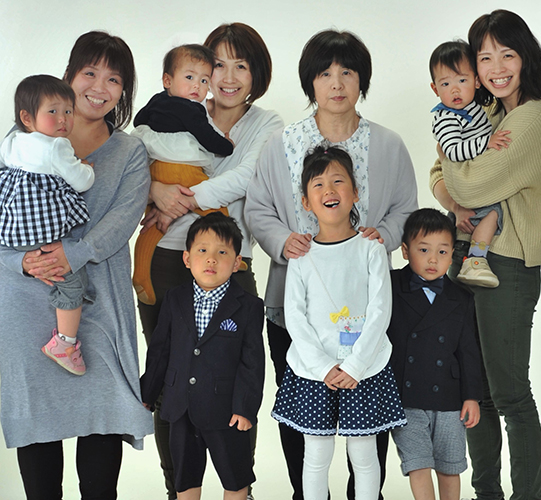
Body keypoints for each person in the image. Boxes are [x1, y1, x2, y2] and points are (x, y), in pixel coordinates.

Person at [245, 29, 418, 500]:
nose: (336, 83)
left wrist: (385, 235)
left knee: (367, 421)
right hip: (295, 304)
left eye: (347, 72)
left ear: (362, 80)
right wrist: (284, 242)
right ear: (310, 82)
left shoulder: (388, 144)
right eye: (324, 73)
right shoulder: (281, 143)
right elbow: (258, 209)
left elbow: (405, 207)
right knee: (304, 419)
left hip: (365, 307)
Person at [0, 31, 153, 499]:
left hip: (99, 305)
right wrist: (21, 262)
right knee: (38, 428)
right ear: (69, 76)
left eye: (114, 79)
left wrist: (70, 254)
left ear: (123, 91)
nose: (100, 87)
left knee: (102, 426)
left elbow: (123, 221)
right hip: (25, 304)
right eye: (90, 73)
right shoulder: (22, 140)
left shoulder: (129, 152)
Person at [137, 23, 283, 500]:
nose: (228, 77)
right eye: (218, 64)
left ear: (257, 74)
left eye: (242, 66)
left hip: (231, 262)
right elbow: (136, 159)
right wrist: (154, 189)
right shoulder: (173, 108)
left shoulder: (267, 124)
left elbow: (246, 177)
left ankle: (238, 490)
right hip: (165, 256)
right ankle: (177, 489)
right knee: (169, 383)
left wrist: (179, 199)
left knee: (237, 381)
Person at [429, 10, 541, 500]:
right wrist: (453, 199)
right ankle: (487, 494)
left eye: (507, 54)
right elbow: (439, 172)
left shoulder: (534, 118)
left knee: (510, 395)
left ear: (526, 56)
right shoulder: (490, 113)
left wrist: (456, 180)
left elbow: (468, 179)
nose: (496, 68)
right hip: (467, 257)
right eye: (484, 58)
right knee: (477, 391)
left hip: (507, 265)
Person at [271, 146, 406, 500]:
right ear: (306, 201)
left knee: (364, 455)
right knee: (316, 456)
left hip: (364, 369)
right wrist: (323, 367)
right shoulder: (301, 255)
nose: (329, 190)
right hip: (315, 372)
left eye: (338, 181)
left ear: (355, 193)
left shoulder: (371, 248)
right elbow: (294, 316)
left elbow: (380, 310)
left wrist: (355, 366)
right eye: (318, 184)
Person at [141, 212, 265, 500]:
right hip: (180, 408)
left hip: (227, 412)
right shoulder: (174, 298)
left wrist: (245, 408)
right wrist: (148, 394)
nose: (211, 259)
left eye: (222, 252)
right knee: (185, 479)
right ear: (187, 259)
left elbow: (252, 362)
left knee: (235, 480)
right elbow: (160, 351)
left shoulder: (248, 306)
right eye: (202, 251)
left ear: (237, 262)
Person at [0, 74, 94, 376]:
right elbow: (82, 182)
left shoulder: (12, 143)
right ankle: (65, 344)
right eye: (53, 111)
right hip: (38, 233)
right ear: (27, 118)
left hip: (8, 229)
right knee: (72, 280)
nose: (63, 119)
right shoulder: (58, 148)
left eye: (68, 111)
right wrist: (86, 169)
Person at [387, 208, 482, 500]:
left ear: (452, 254)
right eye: (424, 250)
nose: (433, 259)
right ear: (405, 251)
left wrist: (472, 397)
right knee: (418, 464)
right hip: (405, 396)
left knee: (449, 466)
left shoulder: (462, 297)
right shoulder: (390, 286)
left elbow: (469, 352)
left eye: (442, 251)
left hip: (450, 399)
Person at [131, 44, 235, 306]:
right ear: (167, 80)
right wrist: (227, 145)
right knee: (218, 213)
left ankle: (141, 273)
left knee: (154, 225)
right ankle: (230, 257)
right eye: (189, 77)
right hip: (183, 170)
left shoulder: (157, 100)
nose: (197, 86)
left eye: (204, 80)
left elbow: (139, 120)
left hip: (156, 170)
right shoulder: (191, 109)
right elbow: (208, 138)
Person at [428, 41, 510, 288]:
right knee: (493, 213)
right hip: (468, 189)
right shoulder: (447, 118)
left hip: (476, 183)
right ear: (435, 89)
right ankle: (475, 259)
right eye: (445, 84)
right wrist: (487, 143)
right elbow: (452, 152)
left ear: (476, 81)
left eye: (462, 81)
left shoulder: (474, 108)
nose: (455, 90)